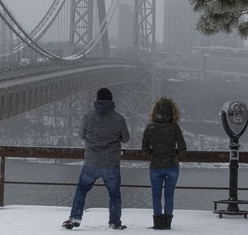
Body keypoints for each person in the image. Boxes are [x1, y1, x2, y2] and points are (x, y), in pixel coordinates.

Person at [62, 87, 130, 230]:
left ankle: (75, 217)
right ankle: (115, 222)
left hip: (91, 163)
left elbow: (81, 135)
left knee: (82, 189)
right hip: (111, 163)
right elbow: (126, 139)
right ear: (112, 101)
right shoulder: (119, 119)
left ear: (97, 100)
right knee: (114, 193)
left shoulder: (88, 117)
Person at [142, 97, 187, 230]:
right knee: (169, 196)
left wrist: (155, 154)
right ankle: (167, 223)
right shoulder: (174, 127)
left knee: (156, 195)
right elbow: (183, 148)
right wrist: (173, 154)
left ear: (154, 111)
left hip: (156, 166)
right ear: (173, 112)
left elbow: (144, 148)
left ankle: (157, 223)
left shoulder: (150, 127)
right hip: (172, 165)